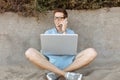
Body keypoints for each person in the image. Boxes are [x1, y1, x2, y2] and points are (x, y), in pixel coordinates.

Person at [25, 8, 97, 80]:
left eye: (61, 18)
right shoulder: (48, 33)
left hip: (70, 64)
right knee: (29, 52)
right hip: (51, 64)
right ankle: (65, 74)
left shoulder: (71, 33)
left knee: (92, 52)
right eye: (56, 18)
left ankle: (56, 74)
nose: (58, 21)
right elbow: (45, 52)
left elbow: (70, 50)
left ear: (65, 20)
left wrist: (64, 31)